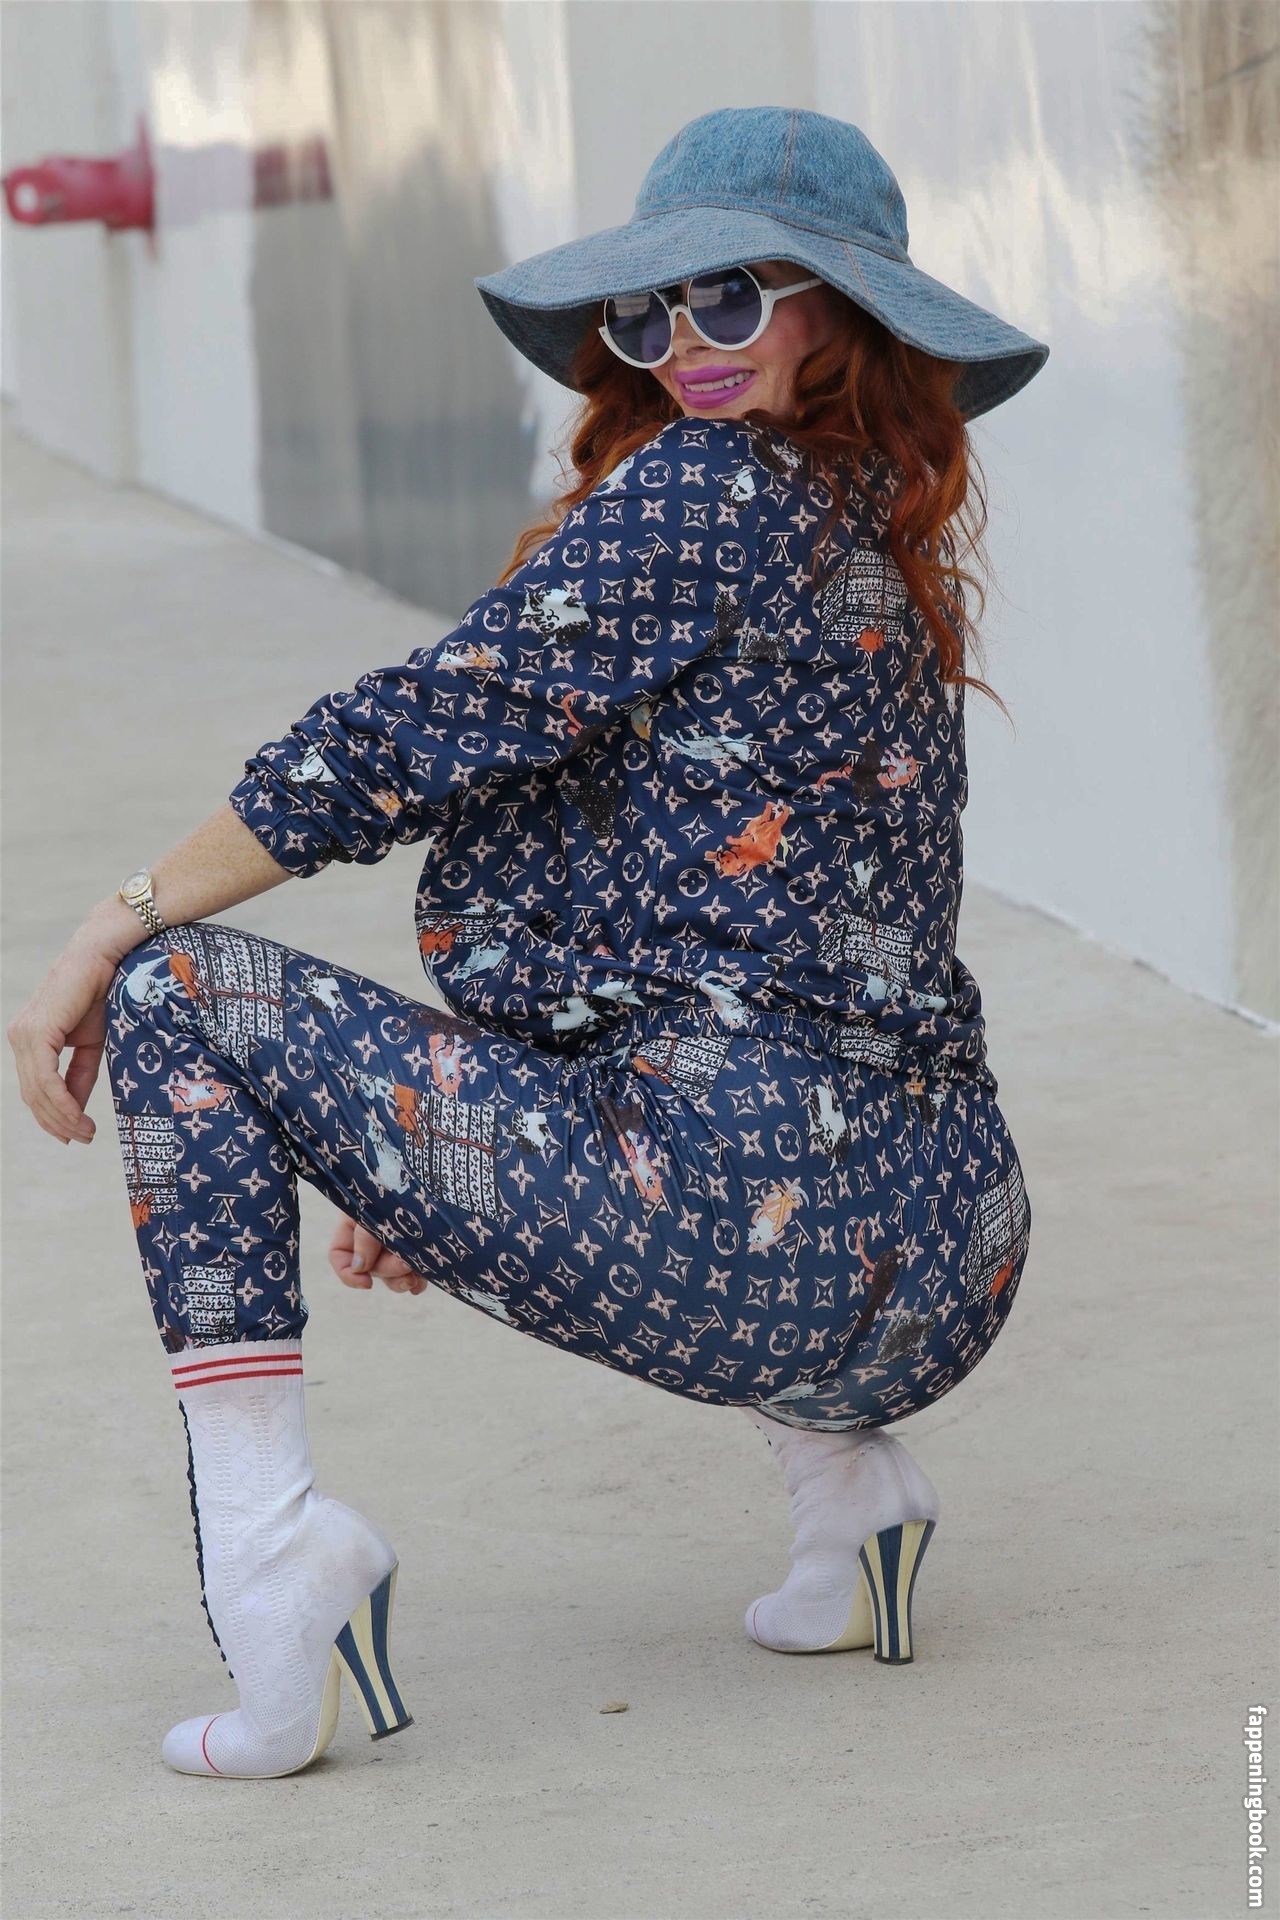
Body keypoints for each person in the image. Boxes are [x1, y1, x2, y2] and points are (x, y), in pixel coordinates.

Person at [7, 106, 1047, 1779]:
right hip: (954, 1252)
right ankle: (854, 1504)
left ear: (840, 313)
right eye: (646, 312)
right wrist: (455, 1150)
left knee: (179, 994)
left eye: (730, 297)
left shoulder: (703, 493)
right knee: (744, 1067)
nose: (685, 344)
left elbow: (405, 735)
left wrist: (110, 919)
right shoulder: (869, 544)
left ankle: (275, 1575)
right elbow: (722, 939)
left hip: (759, 1238)